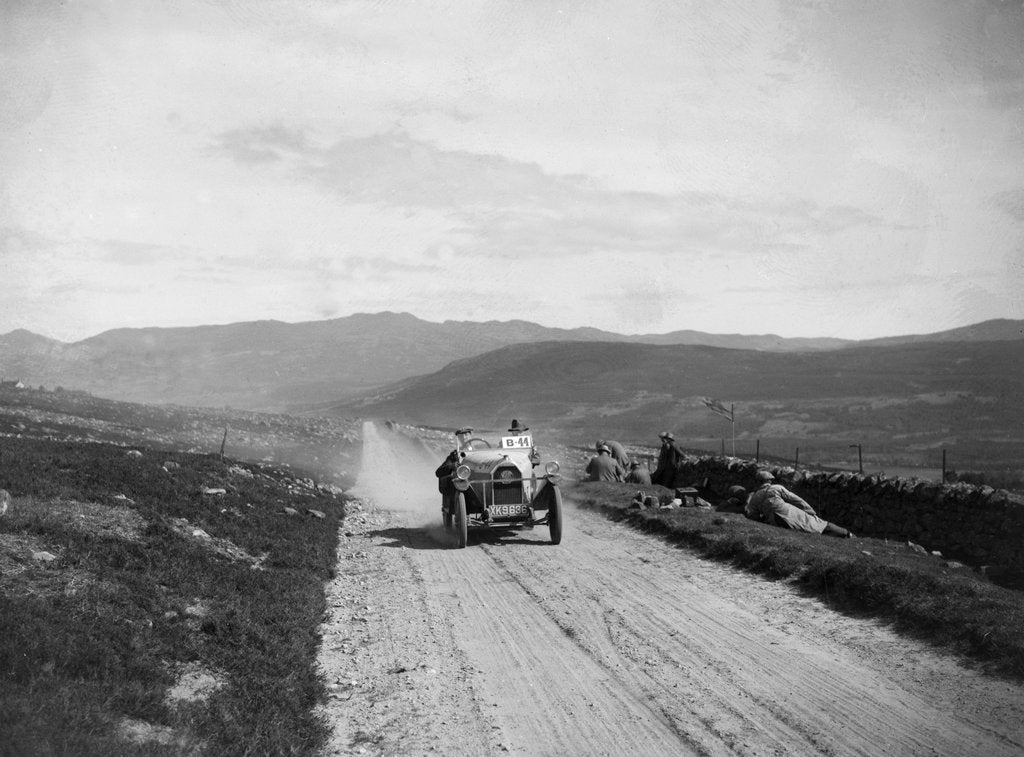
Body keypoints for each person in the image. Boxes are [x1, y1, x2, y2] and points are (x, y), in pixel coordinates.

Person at [744, 471, 854, 538]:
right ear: (769, 481)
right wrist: (810, 511)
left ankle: (844, 535)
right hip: (789, 512)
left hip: (774, 520)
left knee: (809, 527)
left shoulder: (755, 497)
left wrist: (766, 518)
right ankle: (848, 534)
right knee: (819, 524)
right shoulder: (776, 488)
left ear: (758, 482)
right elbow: (796, 500)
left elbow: (753, 515)